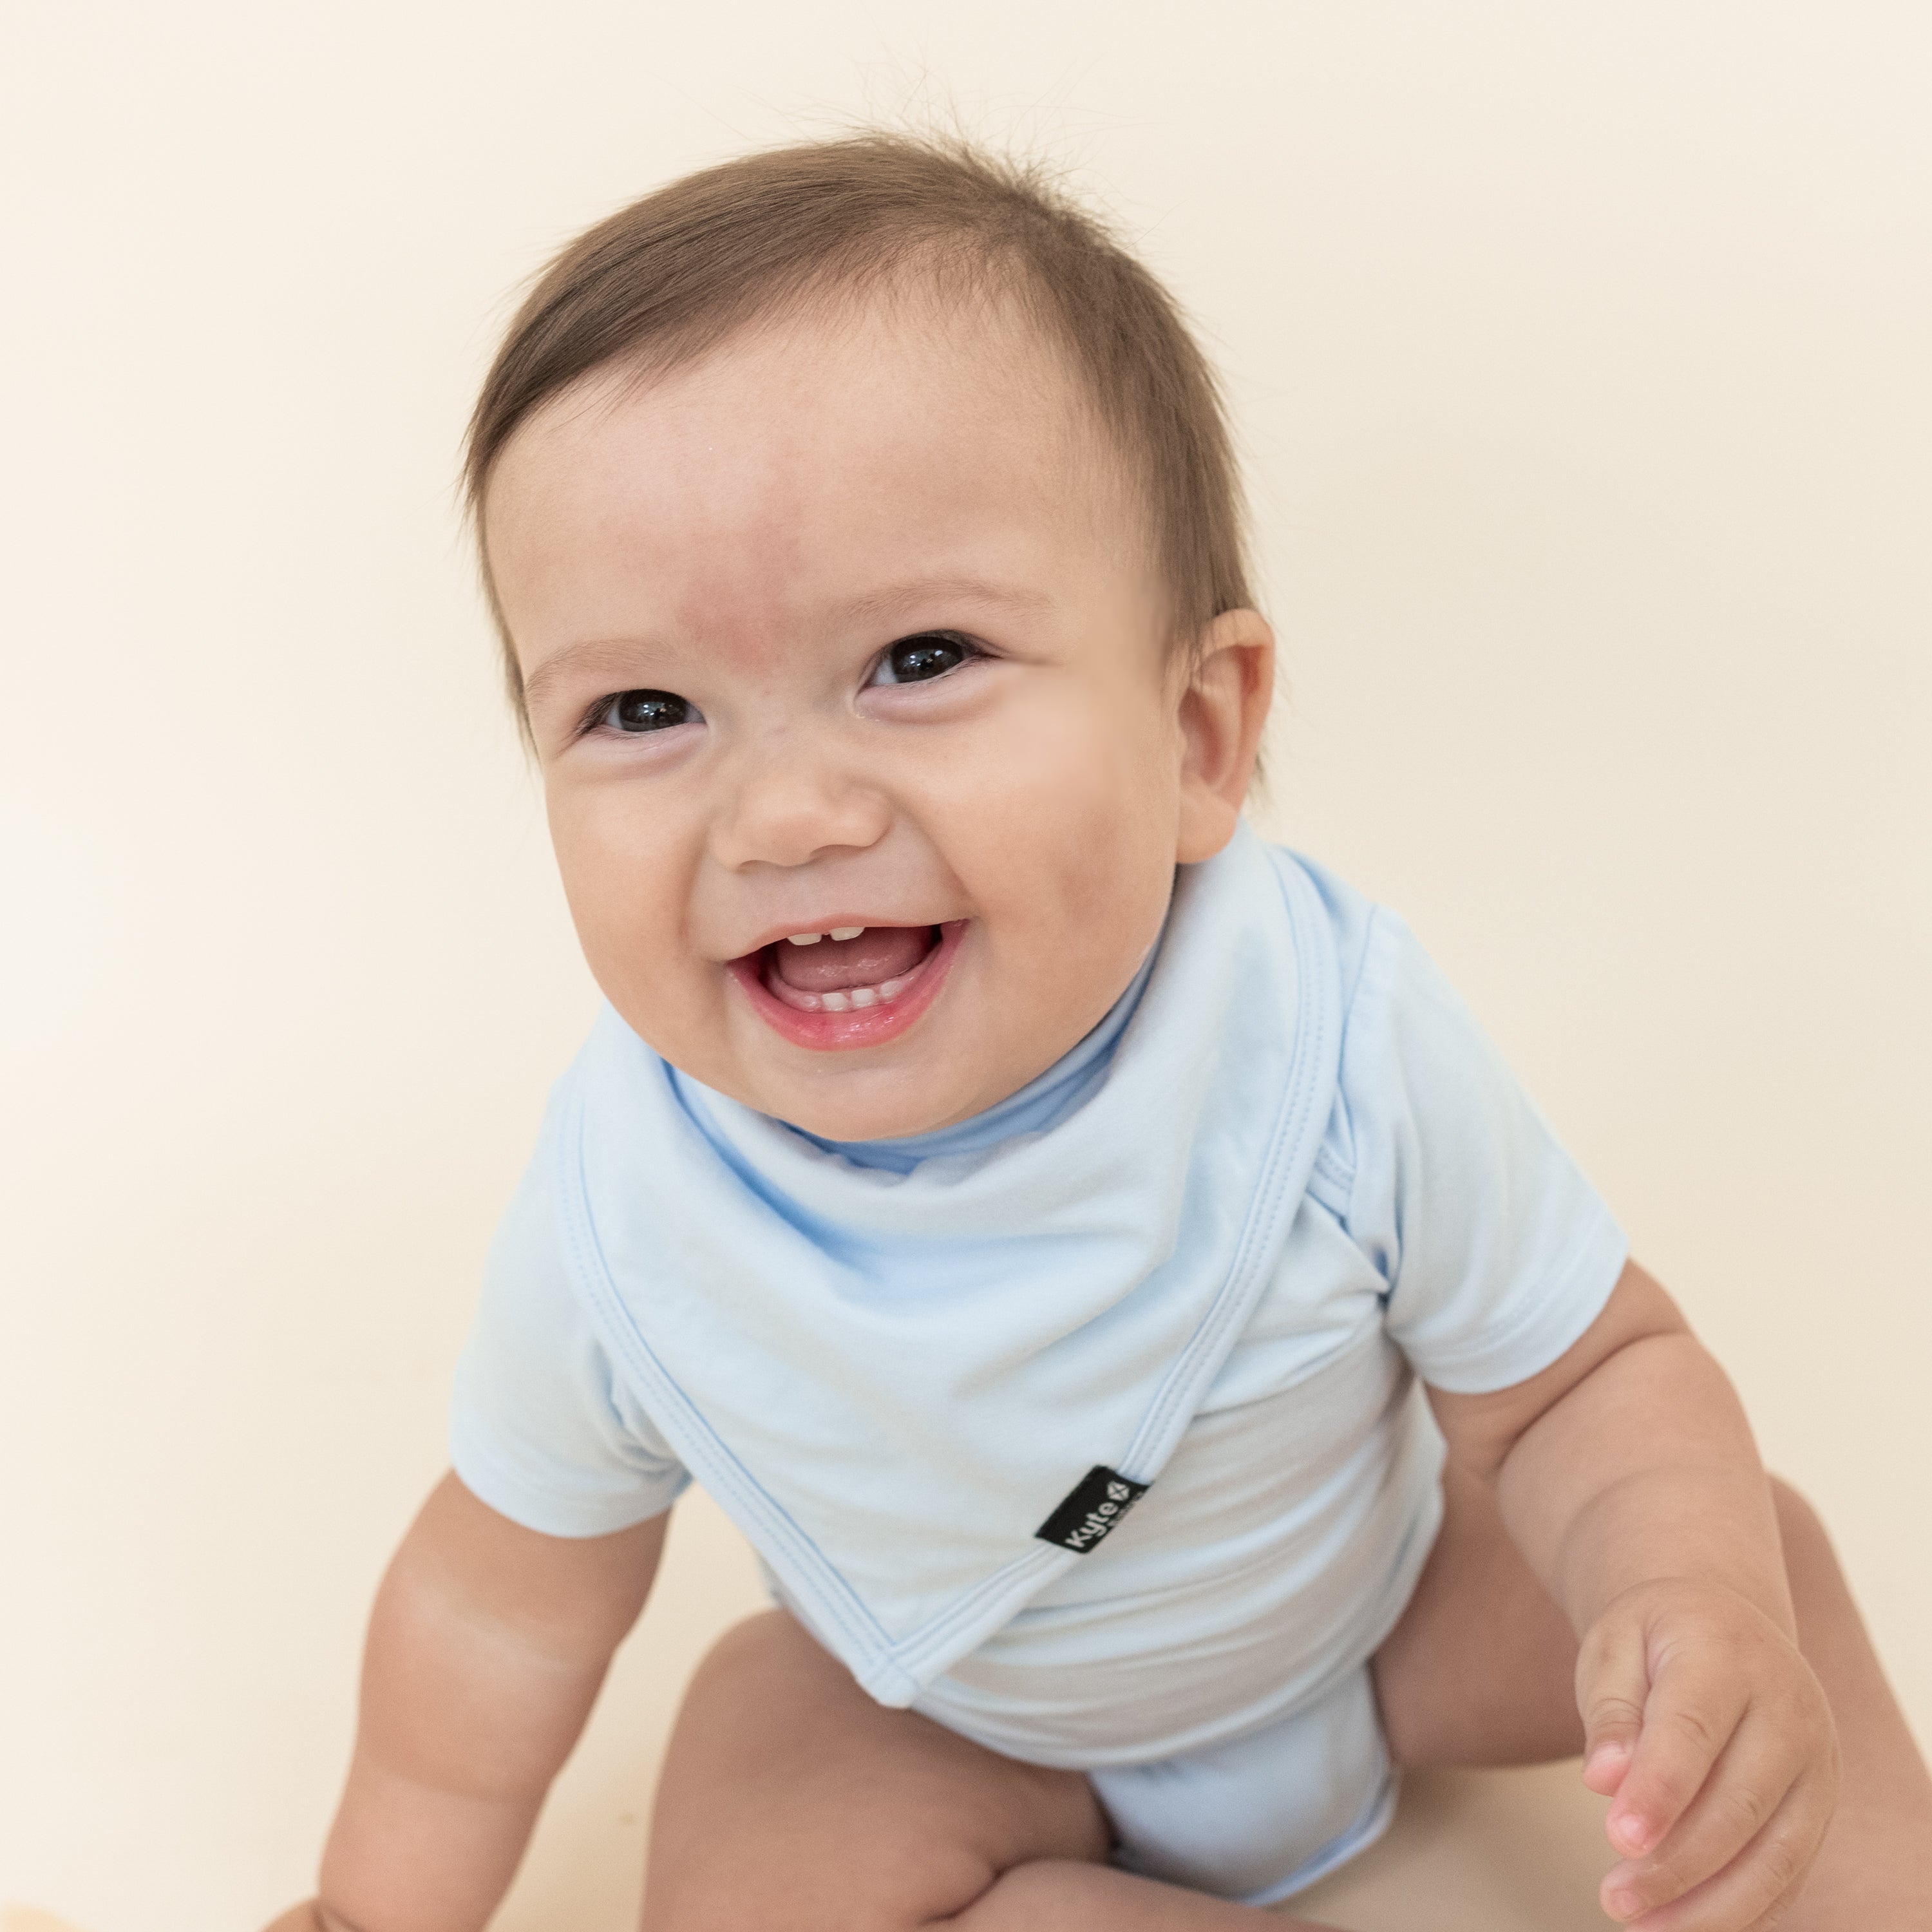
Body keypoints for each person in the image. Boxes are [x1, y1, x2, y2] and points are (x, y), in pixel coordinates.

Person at [264, 134, 1932, 1931]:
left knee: (1751, 1561)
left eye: (920, 660)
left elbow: (1584, 1386)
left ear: (1201, 736)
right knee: (756, 1756)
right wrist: (367, 1915)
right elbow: (497, 1603)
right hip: (959, 1722)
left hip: (1386, 1626)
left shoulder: (1325, 1037)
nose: (786, 815)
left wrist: (1687, 1603)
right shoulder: (628, 1217)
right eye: (644, 707)